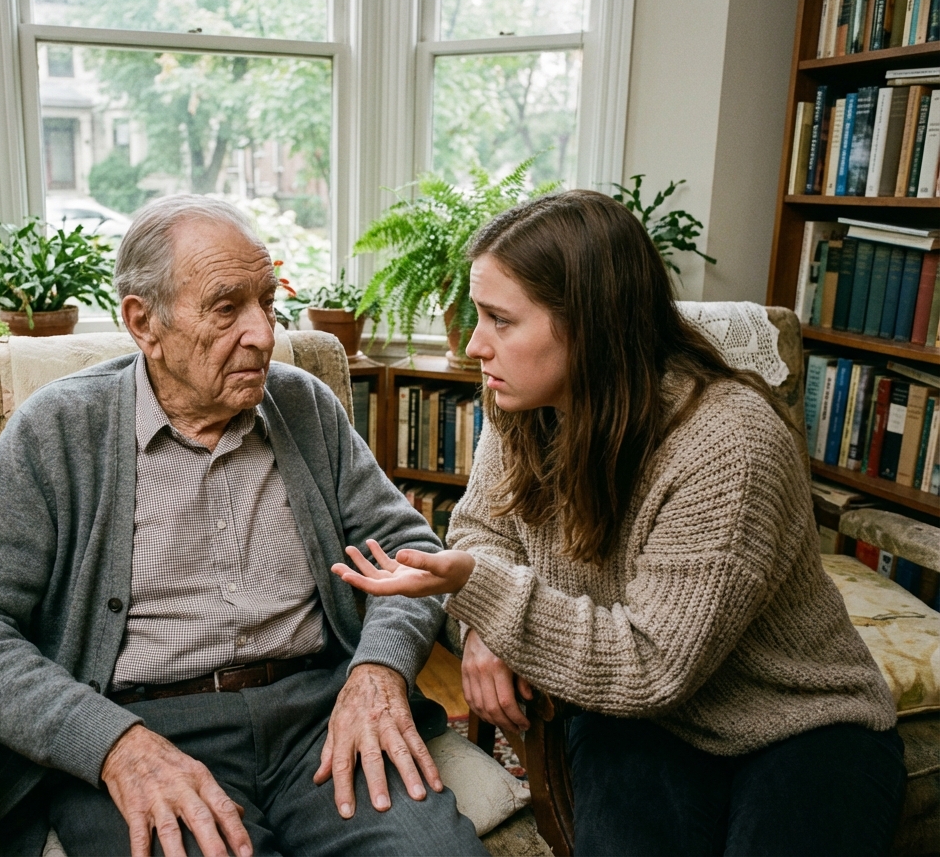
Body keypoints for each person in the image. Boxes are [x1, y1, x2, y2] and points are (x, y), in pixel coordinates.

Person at [0, 194, 487, 857]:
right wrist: (110, 743)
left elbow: (410, 550)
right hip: (143, 726)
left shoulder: (304, 406)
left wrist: (379, 669)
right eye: (226, 308)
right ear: (143, 323)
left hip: (320, 718)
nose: (264, 334)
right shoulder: (58, 431)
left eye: (267, 302)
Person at [332, 189, 906, 856]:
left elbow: (652, 664)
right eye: (476, 315)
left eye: (500, 320)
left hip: (795, 723)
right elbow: (482, 536)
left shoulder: (727, 442)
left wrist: (481, 590)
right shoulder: (522, 405)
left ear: (590, 324)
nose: (477, 345)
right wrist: (486, 626)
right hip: (631, 718)